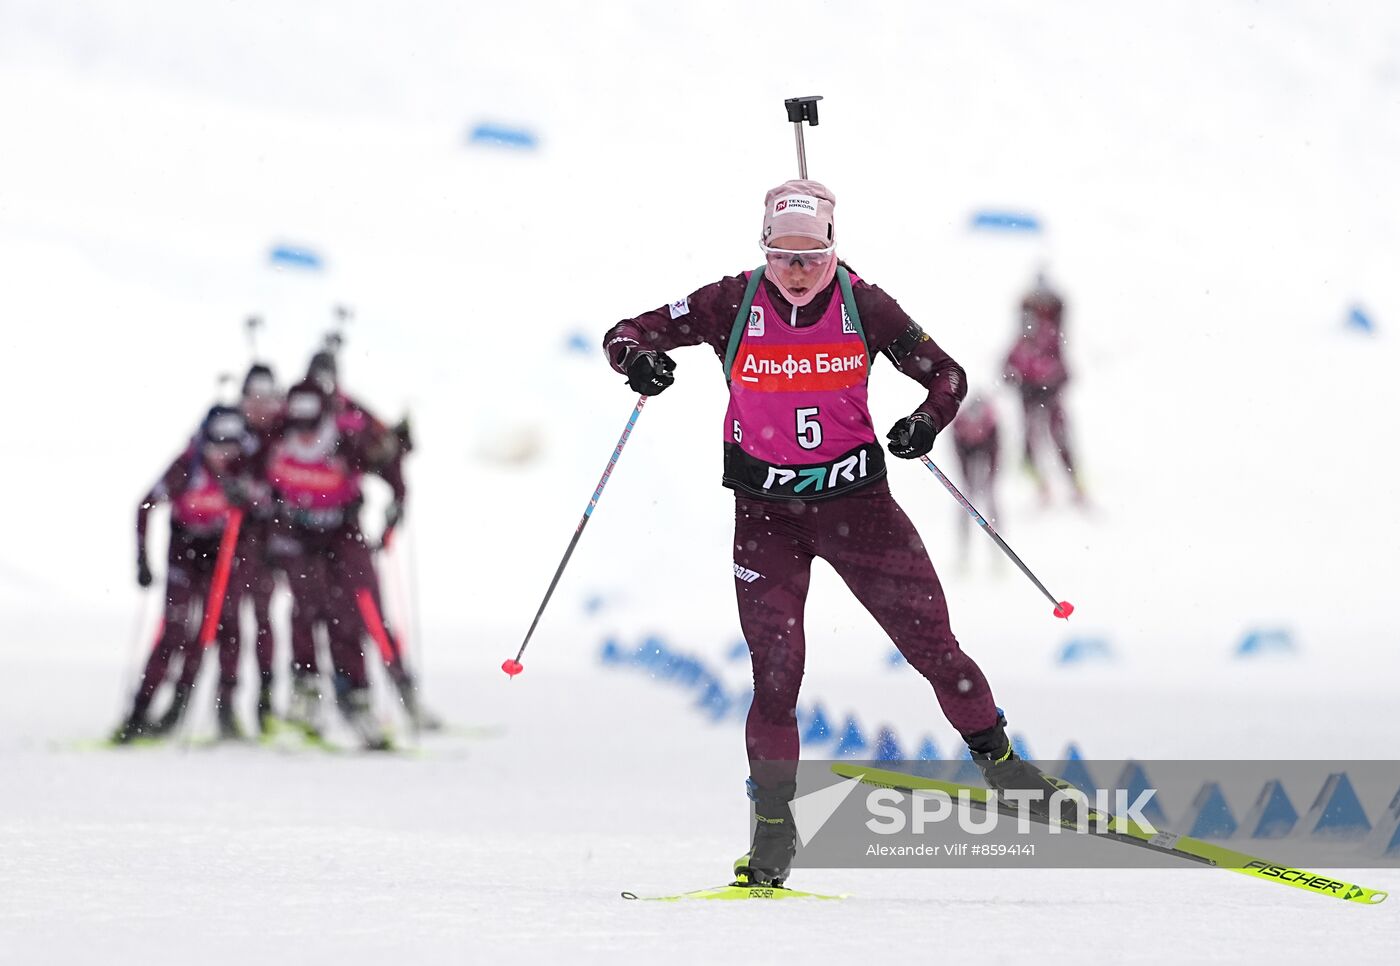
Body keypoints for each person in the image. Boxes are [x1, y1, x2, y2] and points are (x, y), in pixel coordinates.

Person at [600, 179, 1069, 888]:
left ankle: (1004, 768)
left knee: (936, 650)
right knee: (775, 675)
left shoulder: (863, 303)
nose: (796, 271)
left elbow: (947, 375)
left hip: (861, 511)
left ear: (832, 249)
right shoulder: (731, 301)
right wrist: (637, 360)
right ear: (764, 250)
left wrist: (924, 424)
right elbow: (624, 333)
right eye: (782, 257)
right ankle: (773, 830)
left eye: (811, 257)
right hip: (766, 517)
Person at [266, 377, 405, 750]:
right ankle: (305, 695)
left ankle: (355, 697)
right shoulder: (277, 433)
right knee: (304, 610)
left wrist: (397, 496)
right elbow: (246, 462)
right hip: (296, 531)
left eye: (311, 422)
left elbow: (386, 457)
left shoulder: (346, 435)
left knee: (349, 614)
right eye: (297, 420)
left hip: (341, 531)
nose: (304, 431)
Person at [113, 405, 252, 743]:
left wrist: (247, 502)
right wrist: (143, 561)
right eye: (217, 445)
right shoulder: (186, 466)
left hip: (221, 555)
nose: (223, 454)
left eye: (231, 446)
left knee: (223, 628)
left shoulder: (244, 467)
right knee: (174, 631)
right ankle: (139, 713)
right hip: (185, 553)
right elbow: (145, 506)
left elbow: (266, 507)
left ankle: (201, 708)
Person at [234, 363, 285, 733]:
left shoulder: (283, 431)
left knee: (265, 619)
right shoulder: (231, 429)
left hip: (273, 542)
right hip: (234, 543)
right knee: (229, 621)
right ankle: (226, 701)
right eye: (253, 397)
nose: (260, 406)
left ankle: (266, 701)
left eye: (267, 398)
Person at [1002, 274, 1084, 504]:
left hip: (1049, 393)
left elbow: (1060, 363)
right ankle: (1040, 485)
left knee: (1060, 436)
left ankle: (1075, 483)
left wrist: (1058, 380)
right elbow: (1008, 365)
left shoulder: (1051, 336)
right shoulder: (1021, 342)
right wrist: (1013, 377)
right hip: (1029, 393)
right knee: (1030, 438)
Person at [950, 393, 1001, 568]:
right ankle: (963, 549)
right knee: (965, 497)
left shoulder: (991, 424)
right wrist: (966, 480)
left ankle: (997, 549)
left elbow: (995, 453)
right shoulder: (959, 425)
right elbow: (959, 453)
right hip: (967, 449)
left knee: (990, 496)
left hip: (987, 447)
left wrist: (990, 479)